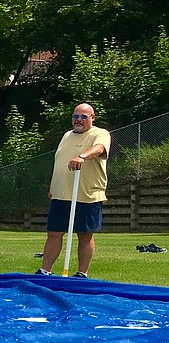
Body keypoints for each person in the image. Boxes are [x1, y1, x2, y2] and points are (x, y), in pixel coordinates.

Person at [37, 103, 111, 277]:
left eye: (84, 117)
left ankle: (81, 273)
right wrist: (53, 186)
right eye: (76, 116)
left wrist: (82, 156)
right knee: (54, 233)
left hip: (87, 194)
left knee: (85, 235)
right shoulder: (66, 136)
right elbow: (60, 161)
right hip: (61, 194)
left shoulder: (100, 134)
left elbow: (100, 149)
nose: (79, 120)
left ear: (92, 117)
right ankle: (44, 270)